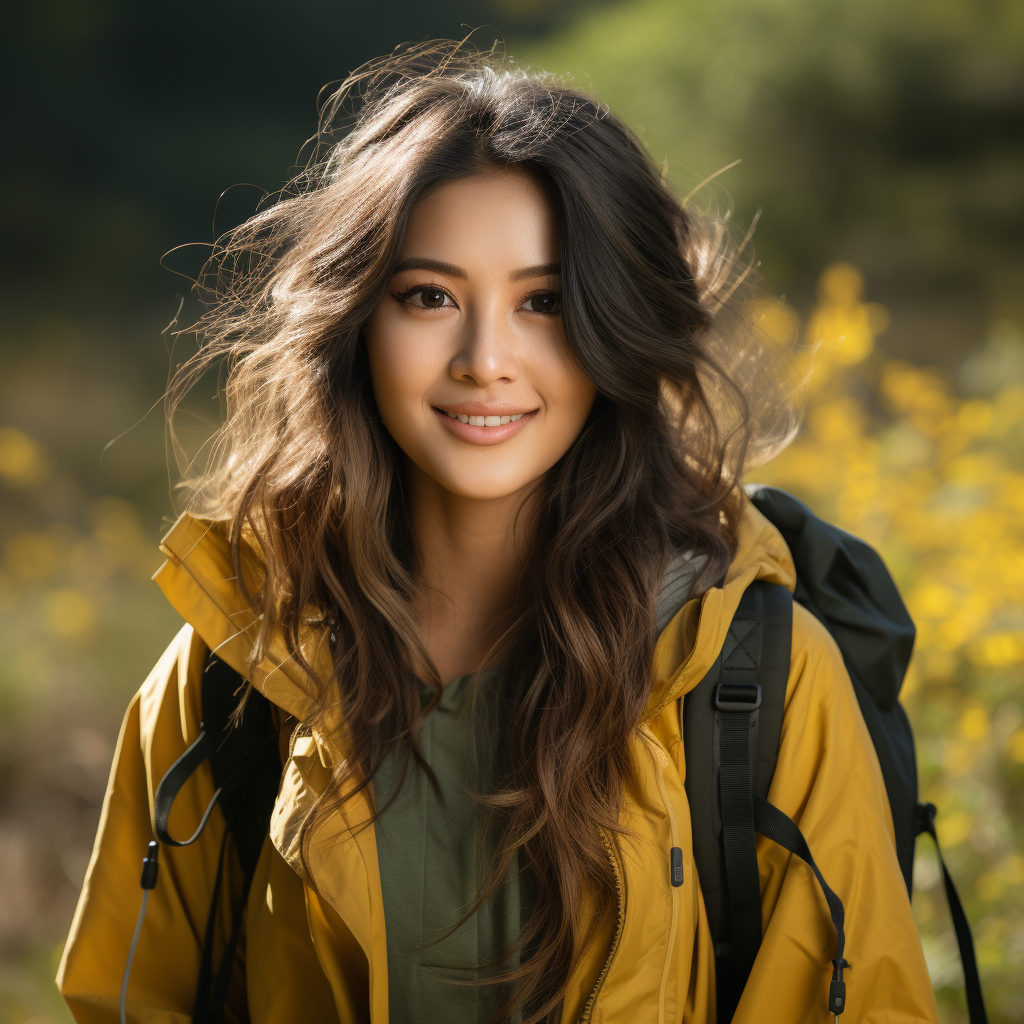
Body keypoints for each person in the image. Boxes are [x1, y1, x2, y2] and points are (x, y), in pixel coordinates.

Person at [57, 40, 938, 1024]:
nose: (484, 359)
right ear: (357, 322)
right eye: (428, 296)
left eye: (544, 302)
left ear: (617, 326)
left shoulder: (757, 679)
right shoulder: (229, 666)